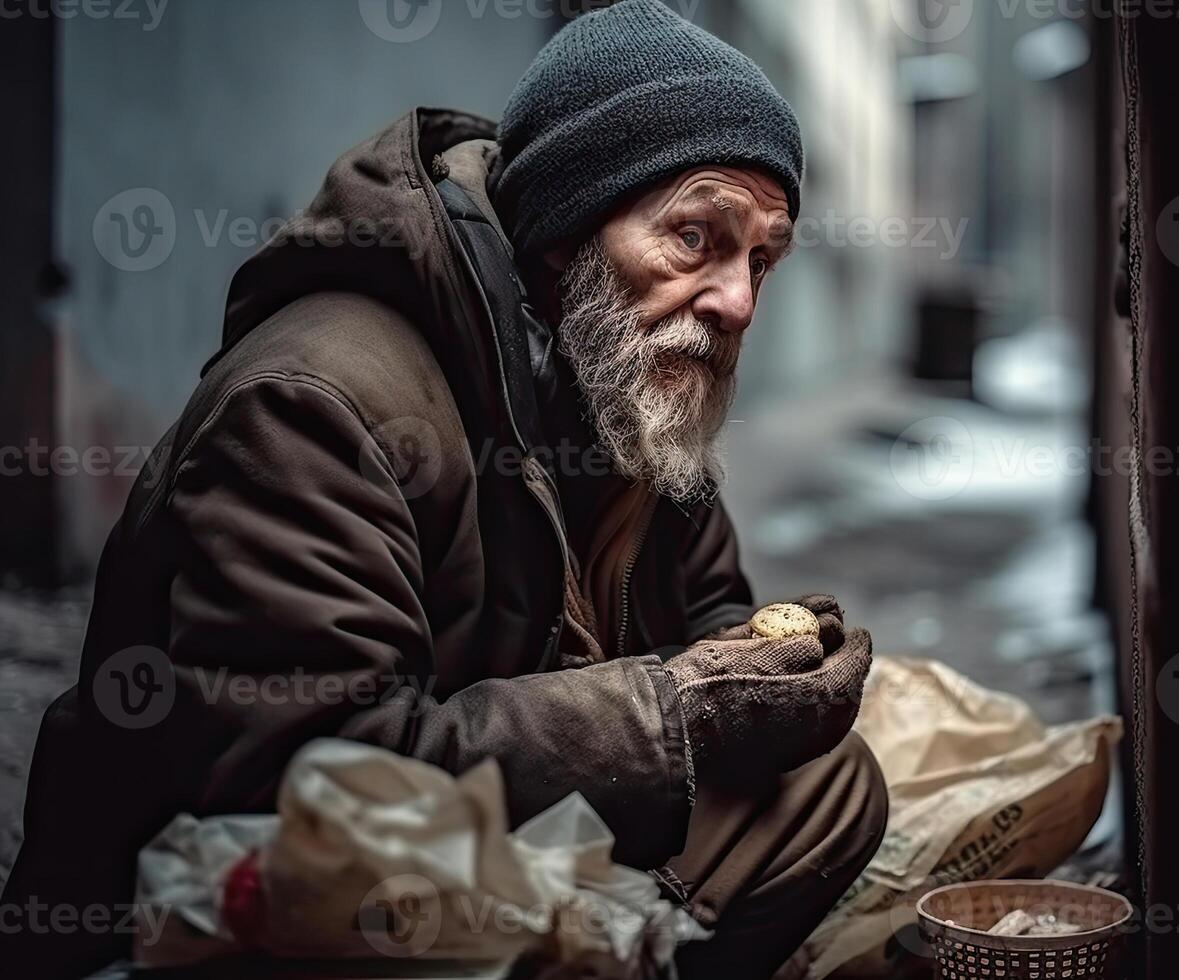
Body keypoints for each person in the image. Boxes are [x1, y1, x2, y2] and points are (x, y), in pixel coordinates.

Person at [1, 3, 886, 977]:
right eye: (695, 238)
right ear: (566, 227)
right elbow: (309, 780)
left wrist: (768, 676)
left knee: (823, 785)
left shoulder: (628, 385)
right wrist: (673, 710)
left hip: (490, 841)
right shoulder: (318, 403)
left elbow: (706, 611)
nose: (738, 300)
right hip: (234, 905)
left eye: (761, 256)